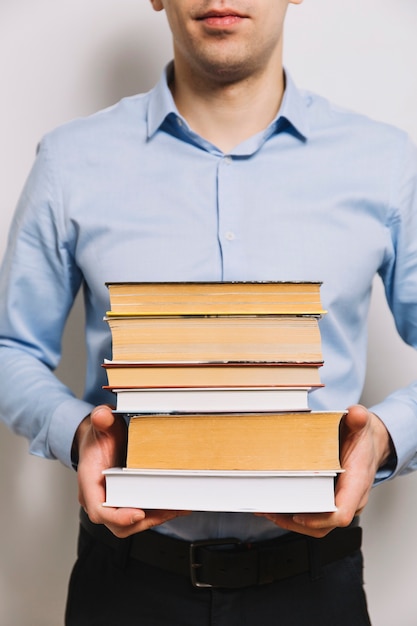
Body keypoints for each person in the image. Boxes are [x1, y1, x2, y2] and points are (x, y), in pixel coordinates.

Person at [1, 0, 417, 624]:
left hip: (315, 588)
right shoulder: (70, 161)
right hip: (125, 586)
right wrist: (78, 431)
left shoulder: (385, 163)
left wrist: (385, 438)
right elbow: (12, 348)